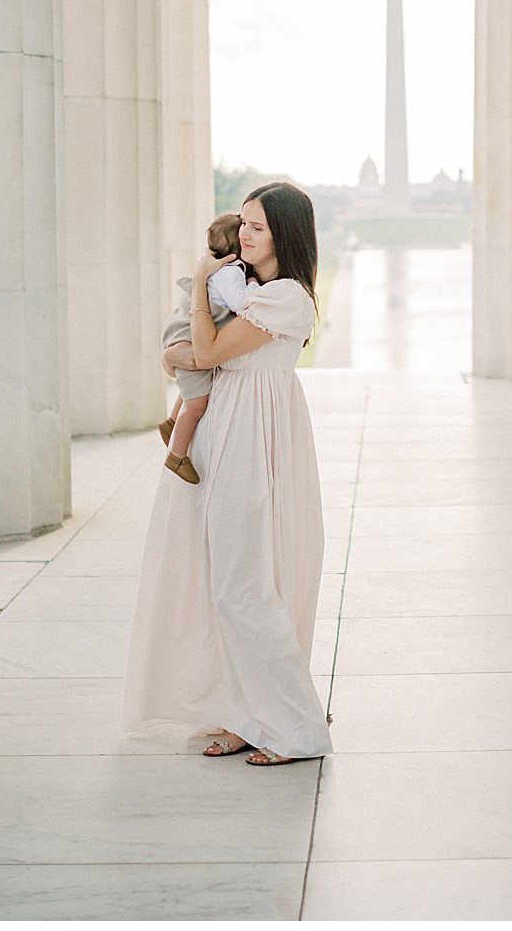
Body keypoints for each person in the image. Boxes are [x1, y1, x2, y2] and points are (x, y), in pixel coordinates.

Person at [121, 181, 334, 767]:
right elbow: (181, 356)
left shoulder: (286, 296)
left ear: (284, 235)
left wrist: (196, 285)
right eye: (242, 223)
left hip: (254, 436)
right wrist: (183, 345)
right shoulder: (249, 292)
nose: (243, 235)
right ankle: (247, 713)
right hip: (225, 428)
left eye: (258, 227)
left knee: (244, 585)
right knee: (219, 579)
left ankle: (295, 727)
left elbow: (206, 354)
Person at [158, 211, 247, 485]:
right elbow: (240, 303)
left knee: (193, 385)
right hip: (188, 336)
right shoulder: (230, 274)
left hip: (181, 330)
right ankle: (177, 455)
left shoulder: (212, 270)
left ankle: (172, 422)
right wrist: (253, 285)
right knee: (197, 404)